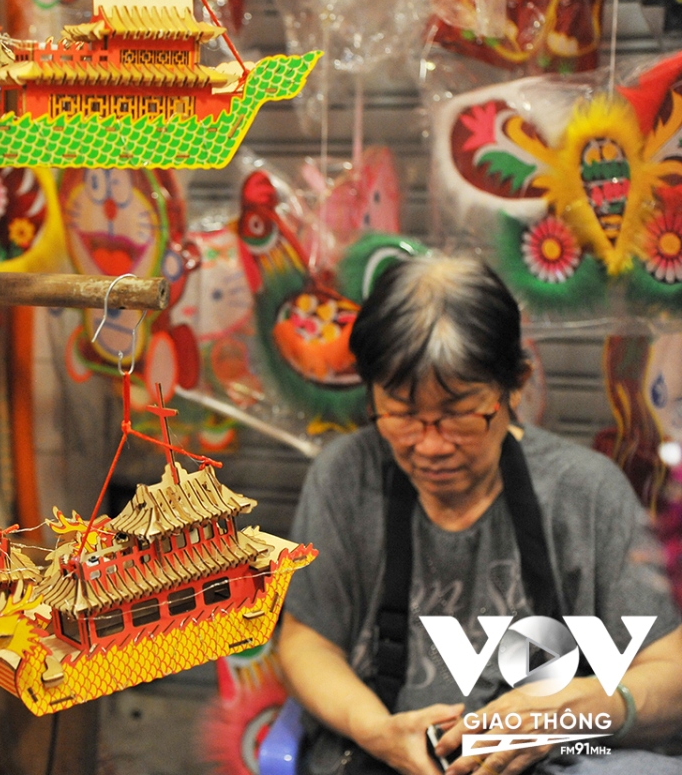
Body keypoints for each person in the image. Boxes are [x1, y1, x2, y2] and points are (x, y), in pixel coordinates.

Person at [276, 256, 682, 775]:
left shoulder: (585, 490)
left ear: (515, 386)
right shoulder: (346, 477)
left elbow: (670, 676)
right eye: (401, 414)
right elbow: (309, 640)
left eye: (458, 414)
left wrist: (575, 710)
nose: (430, 445)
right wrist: (377, 730)